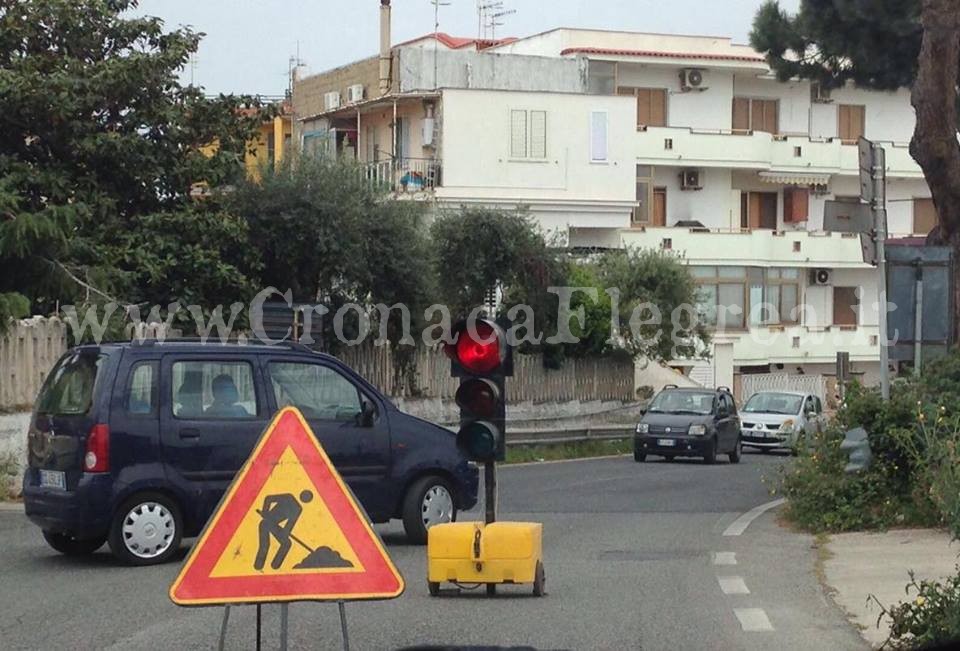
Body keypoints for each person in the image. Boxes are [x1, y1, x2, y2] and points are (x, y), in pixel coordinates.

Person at [254, 490, 313, 571]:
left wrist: (285, 532)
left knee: (286, 543)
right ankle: (258, 566)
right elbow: (268, 499)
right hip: (265, 523)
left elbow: (289, 525)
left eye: (308, 498)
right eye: (306, 496)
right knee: (265, 545)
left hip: (274, 526)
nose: (305, 498)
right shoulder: (289, 497)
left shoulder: (298, 509)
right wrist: (265, 512)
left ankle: (275, 566)